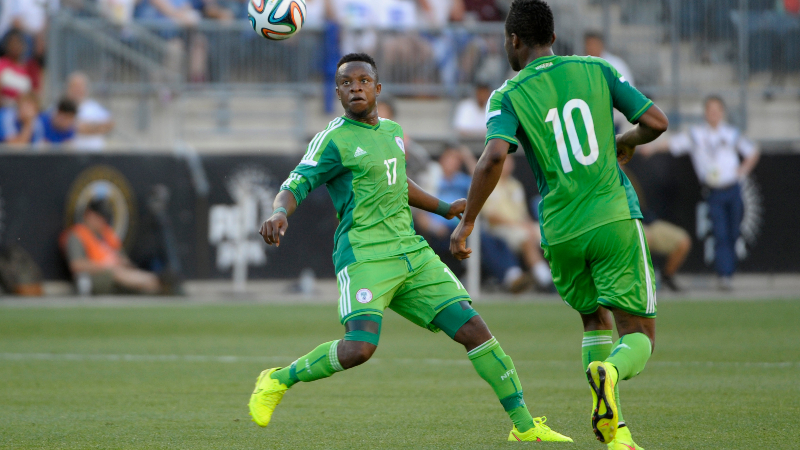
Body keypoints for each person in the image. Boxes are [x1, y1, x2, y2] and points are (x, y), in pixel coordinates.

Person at [249, 52, 572, 443]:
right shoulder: (332, 139)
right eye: (346, 83)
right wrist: (279, 212)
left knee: (474, 329)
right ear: (337, 92)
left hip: (412, 254)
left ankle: (524, 426)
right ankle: (278, 380)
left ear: (377, 88)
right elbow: (295, 183)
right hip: (365, 255)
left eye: (363, 81)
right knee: (359, 349)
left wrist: (444, 207)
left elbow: (398, 184)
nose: (355, 88)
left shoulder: (394, 132)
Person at [449, 1, 669, 448]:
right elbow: (655, 123)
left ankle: (616, 433)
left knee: (594, 320)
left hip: (561, 229)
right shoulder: (597, 69)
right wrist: (626, 139)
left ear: (513, 40)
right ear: (551, 35)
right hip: (611, 216)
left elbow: (493, 156)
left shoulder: (508, 94)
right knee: (639, 334)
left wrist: (467, 221)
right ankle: (610, 374)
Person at [641, 96, 760, 291]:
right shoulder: (696, 135)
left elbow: (753, 151)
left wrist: (742, 172)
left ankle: (729, 272)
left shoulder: (730, 134)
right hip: (714, 191)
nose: (713, 114)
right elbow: (673, 144)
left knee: (733, 231)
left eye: (717, 110)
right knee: (720, 233)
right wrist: (652, 148)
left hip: (733, 188)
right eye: (710, 110)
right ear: (705, 113)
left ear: (722, 113)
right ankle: (724, 276)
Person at [414, 144, 534, 293]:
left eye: (457, 159)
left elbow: (481, 177)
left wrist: (467, 156)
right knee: (483, 239)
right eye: (451, 158)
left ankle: (513, 275)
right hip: (442, 232)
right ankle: (510, 276)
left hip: (463, 229)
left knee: (496, 239)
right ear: (442, 159)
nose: (454, 162)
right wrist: (434, 227)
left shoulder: (461, 180)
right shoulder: (432, 179)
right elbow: (421, 212)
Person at [61, 199, 165, 295]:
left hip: (120, 275)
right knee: (116, 273)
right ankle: (152, 281)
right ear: (89, 215)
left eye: (104, 218)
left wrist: (123, 264)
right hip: (95, 277)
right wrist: (106, 266)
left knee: (145, 283)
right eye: (99, 217)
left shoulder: (106, 235)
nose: (102, 221)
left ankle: (155, 281)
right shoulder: (77, 235)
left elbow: (123, 259)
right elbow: (76, 265)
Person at [482, 154, 553, 290]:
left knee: (549, 235)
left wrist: (529, 226)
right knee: (525, 237)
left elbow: (523, 213)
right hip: (499, 228)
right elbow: (492, 216)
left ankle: (557, 273)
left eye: (509, 162)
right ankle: (546, 280)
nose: (507, 165)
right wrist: (520, 226)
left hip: (519, 226)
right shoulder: (488, 184)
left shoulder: (515, 185)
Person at [65, 72, 114, 151]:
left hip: (94, 154)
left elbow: (109, 124)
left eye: (80, 86)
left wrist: (84, 127)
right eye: (75, 86)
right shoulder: (60, 107)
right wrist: (95, 127)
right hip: (70, 155)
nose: (78, 90)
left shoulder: (94, 107)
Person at [0, 29, 34, 106]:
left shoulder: (29, 68)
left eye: (18, 43)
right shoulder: (2, 63)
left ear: (23, 46)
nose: (15, 46)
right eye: (12, 43)